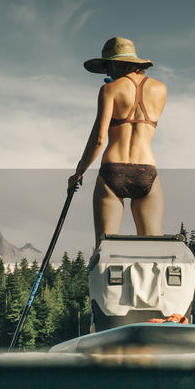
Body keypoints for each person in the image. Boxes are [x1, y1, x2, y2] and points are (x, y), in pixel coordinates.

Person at [68, 37, 167, 245]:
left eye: (107, 66)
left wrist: (79, 172)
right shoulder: (160, 90)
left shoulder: (109, 90)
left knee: (105, 249)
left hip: (113, 171)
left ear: (116, 63)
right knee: (153, 250)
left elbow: (98, 139)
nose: (106, 73)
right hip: (147, 171)